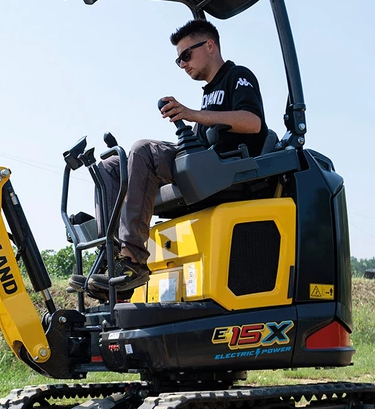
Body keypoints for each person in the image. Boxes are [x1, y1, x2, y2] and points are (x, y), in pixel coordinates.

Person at [85, 19, 267, 295]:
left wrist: (191, 114)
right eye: (178, 60)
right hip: (201, 160)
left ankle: (133, 260)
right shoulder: (208, 92)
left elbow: (252, 122)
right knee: (110, 166)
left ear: (210, 46)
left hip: (225, 166)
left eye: (186, 55)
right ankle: (110, 259)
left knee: (142, 149)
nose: (183, 64)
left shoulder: (238, 76)